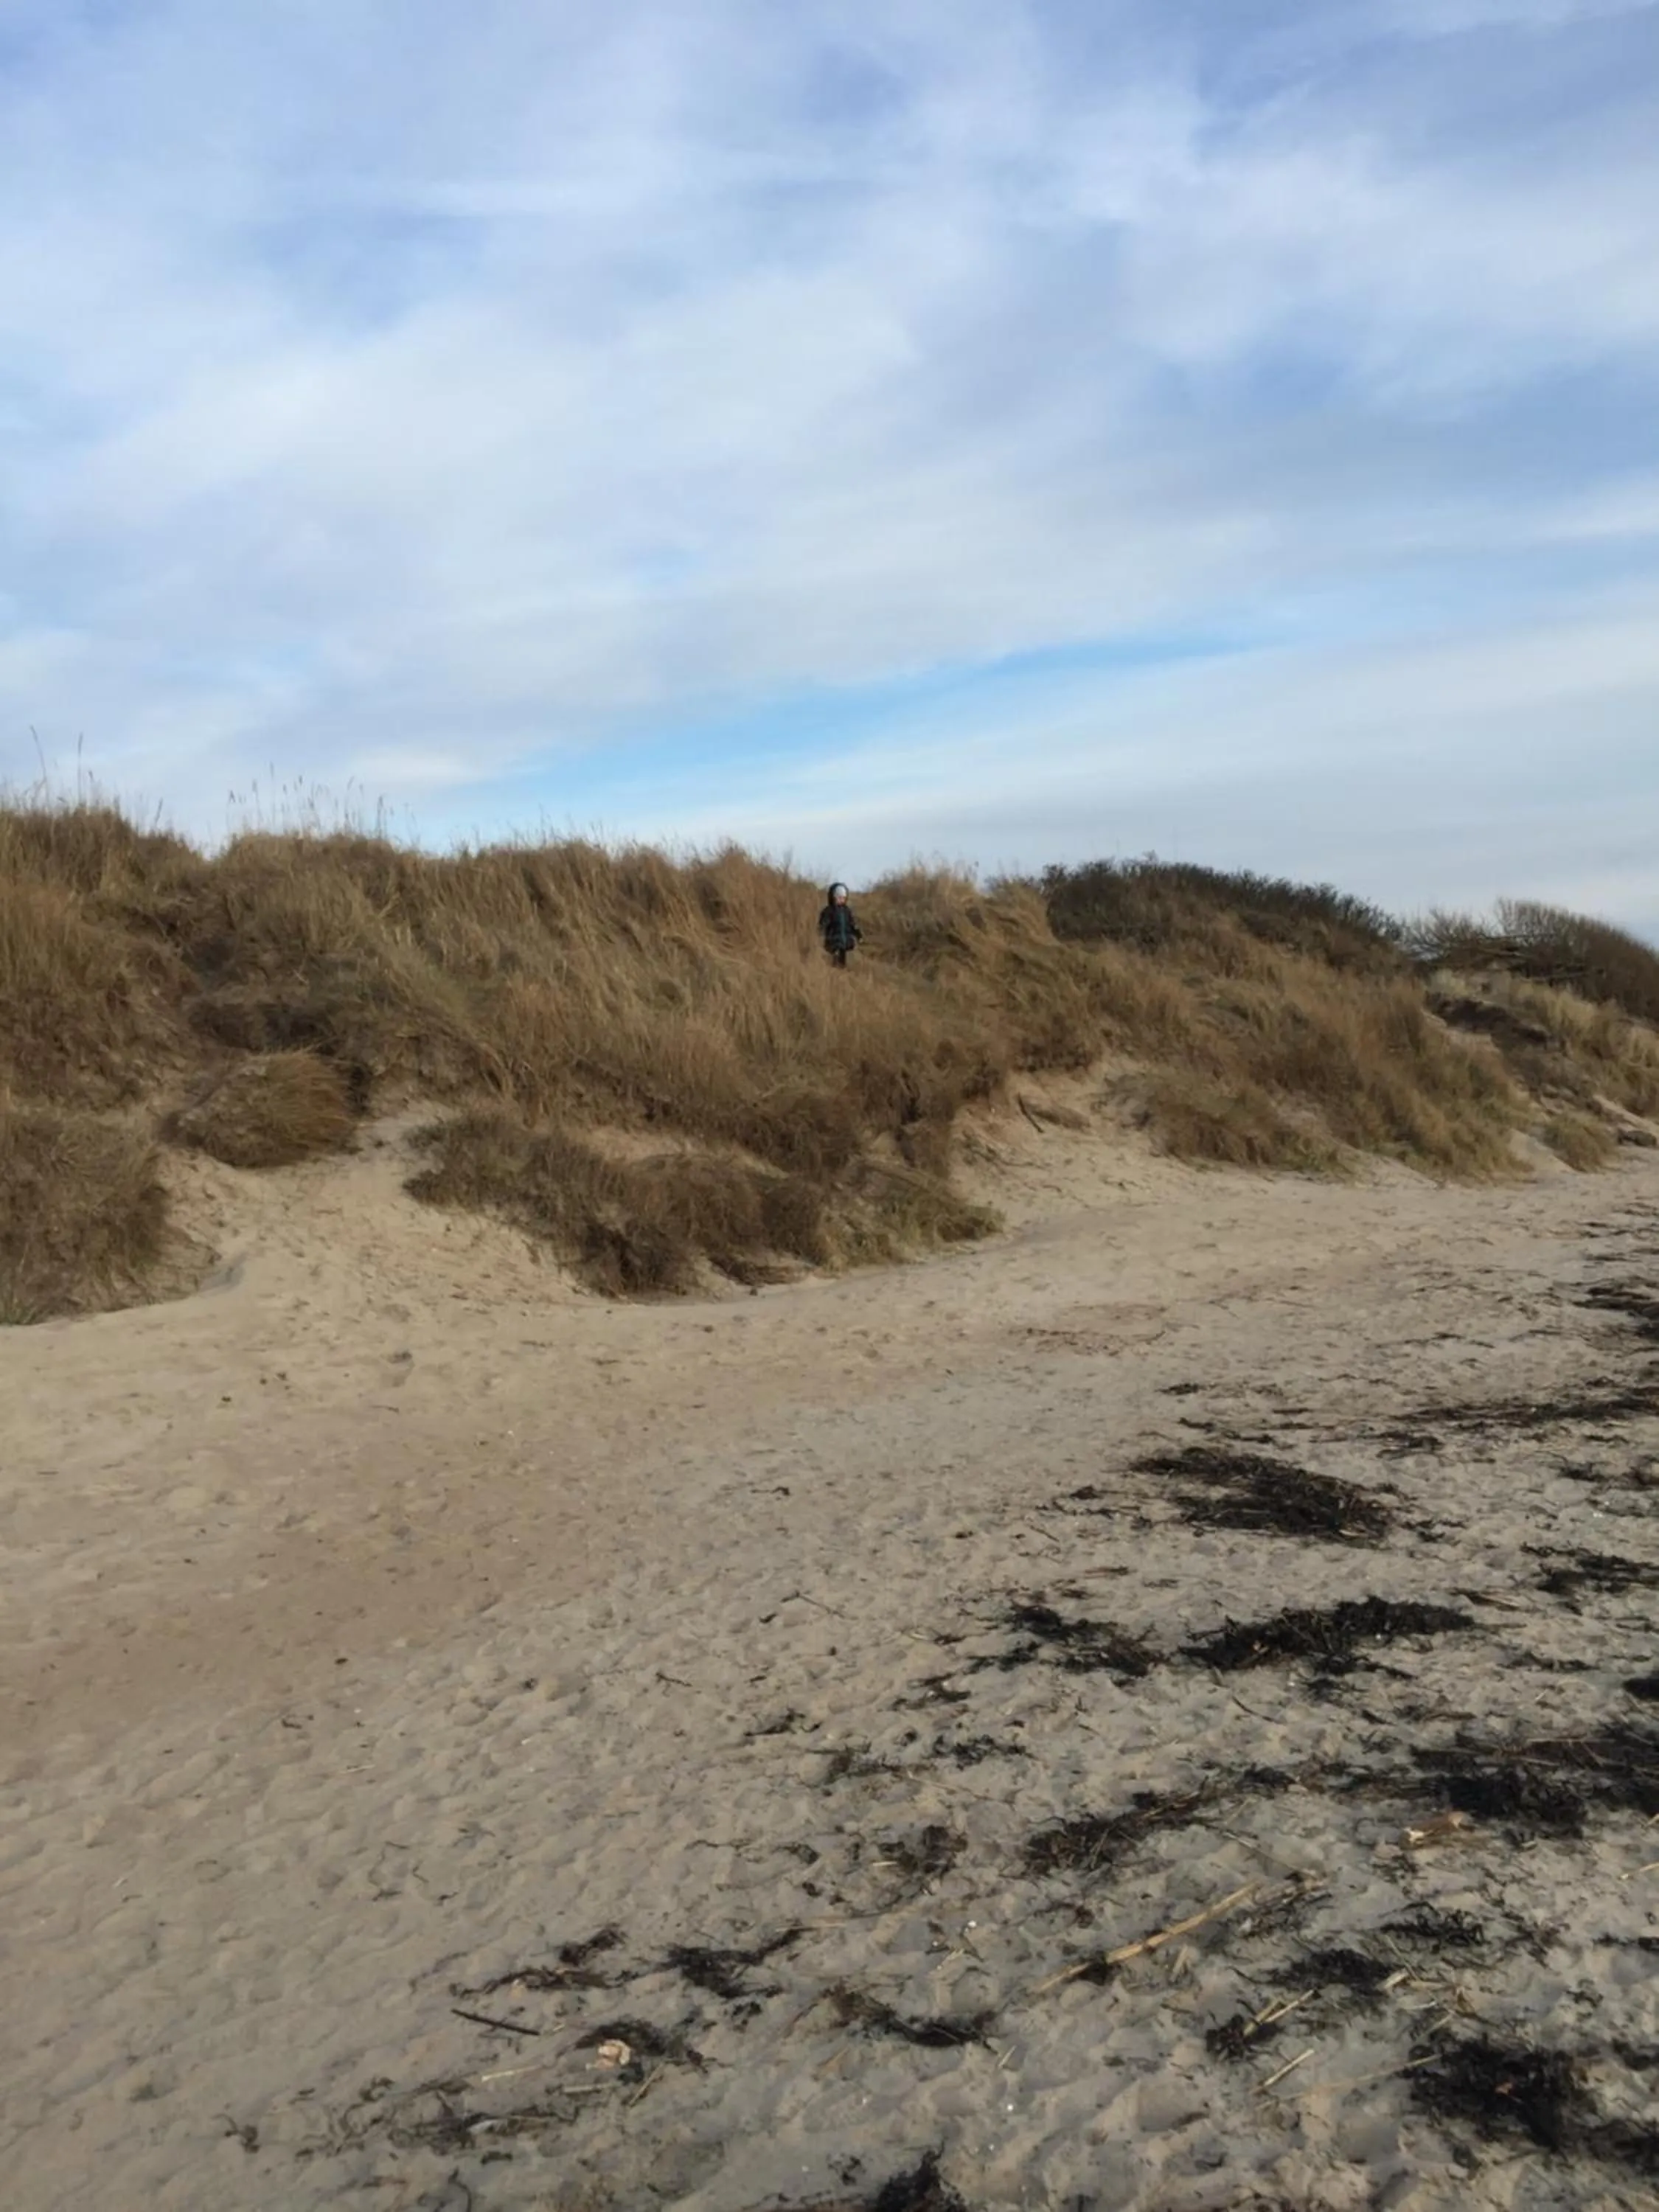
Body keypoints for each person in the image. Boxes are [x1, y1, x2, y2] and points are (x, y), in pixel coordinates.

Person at [818, 881, 862, 967]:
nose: (841, 900)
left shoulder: (847, 911)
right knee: (833, 960)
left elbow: (852, 924)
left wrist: (858, 935)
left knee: (843, 961)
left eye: (843, 898)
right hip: (833, 940)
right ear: (833, 898)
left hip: (844, 941)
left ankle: (842, 971)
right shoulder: (829, 911)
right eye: (839, 898)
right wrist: (822, 930)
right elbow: (823, 924)